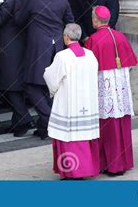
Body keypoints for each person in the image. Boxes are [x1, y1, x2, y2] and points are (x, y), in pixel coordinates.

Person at [13, 0, 74, 140]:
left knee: (31, 86)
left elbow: (18, 20)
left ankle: (50, 121)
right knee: (49, 87)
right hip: (57, 47)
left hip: (38, 48)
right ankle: (43, 127)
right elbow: (69, 21)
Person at [85, 6, 137, 176]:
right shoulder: (120, 36)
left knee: (107, 127)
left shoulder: (93, 40)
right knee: (120, 124)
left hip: (104, 92)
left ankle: (110, 165)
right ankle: (123, 163)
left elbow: (88, 69)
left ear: (95, 20)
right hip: (120, 92)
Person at [44, 24, 100, 180]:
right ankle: (84, 170)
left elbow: (52, 79)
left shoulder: (62, 56)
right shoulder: (90, 55)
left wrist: (47, 73)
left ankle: (71, 172)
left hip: (68, 103)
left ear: (66, 37)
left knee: (68, 137)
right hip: (86, 103)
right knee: (84, 136)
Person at [0, 0, 33, 137]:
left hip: (9, 50)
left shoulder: (9, 2)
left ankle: (24, 119)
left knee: (11, 88)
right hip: (21, 47)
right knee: (17, 87)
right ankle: (19, 123)